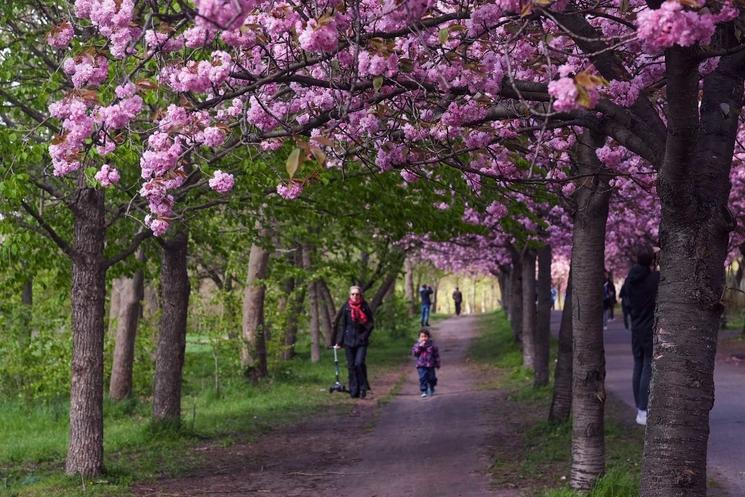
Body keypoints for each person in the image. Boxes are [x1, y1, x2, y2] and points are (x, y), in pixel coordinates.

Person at [622, 246, 660, 426]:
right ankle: (643, 410)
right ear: (652, 261)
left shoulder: (630, 279)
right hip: (648, 327)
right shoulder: (654, 279)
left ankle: (640, 408)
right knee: (647, 366)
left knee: (638, 365)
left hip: (636, 327)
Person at [334, 286, 374, 399]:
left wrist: (364, 336)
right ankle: (353, 389)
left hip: (361, 341)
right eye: (353, 294)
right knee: (351, 366)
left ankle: (363, 388)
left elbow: (370, 324)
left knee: (359, 363)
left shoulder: (365, 307)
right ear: (349, 295)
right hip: (348, 341)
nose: (355, 296)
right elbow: (342, 325)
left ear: (361, 295)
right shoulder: (346, 307)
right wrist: (339, 342)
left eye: (357, 294)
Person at [411, 328, 440, 397]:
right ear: (419, 337)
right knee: (422, 378)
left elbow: (436, 355)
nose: (424, 338)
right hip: (421, 365)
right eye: (422, 336)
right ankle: (424, 390)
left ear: (428, 337)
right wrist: (420, 347)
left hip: (430, 365)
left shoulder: (432, 346)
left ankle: (432, 386)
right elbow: (415, 353)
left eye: (425, 336)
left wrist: (437, 363)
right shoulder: (417, 345)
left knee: (432, 378)